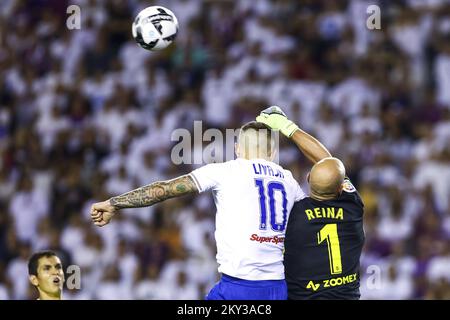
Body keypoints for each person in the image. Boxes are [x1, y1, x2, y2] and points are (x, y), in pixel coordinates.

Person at [90, 120, 329, 300]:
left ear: (237, 148)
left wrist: (114, 203)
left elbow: (162, 190)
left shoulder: (223, 171)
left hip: (237, 287)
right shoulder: (289, 180)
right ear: (272, 153)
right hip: (279, 287)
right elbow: (320, 197)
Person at [256, 106, 365, 299]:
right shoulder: (352, 206)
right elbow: (329, 162)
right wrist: (287, 126)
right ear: (341, 188)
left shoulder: (292, 214)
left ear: (307, 179)